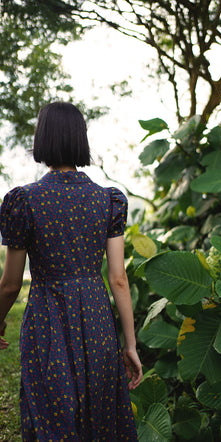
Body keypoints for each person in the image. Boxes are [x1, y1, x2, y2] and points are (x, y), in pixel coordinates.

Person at [0, 102, 143, 441]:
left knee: (52, 411)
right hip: (96, 317)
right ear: (81, 140)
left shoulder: (25, 201)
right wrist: (130, 345)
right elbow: (118, 278)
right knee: (101, 412)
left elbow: (10, 284)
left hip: (48, 316)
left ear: (42, 140)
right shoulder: (107, 200)